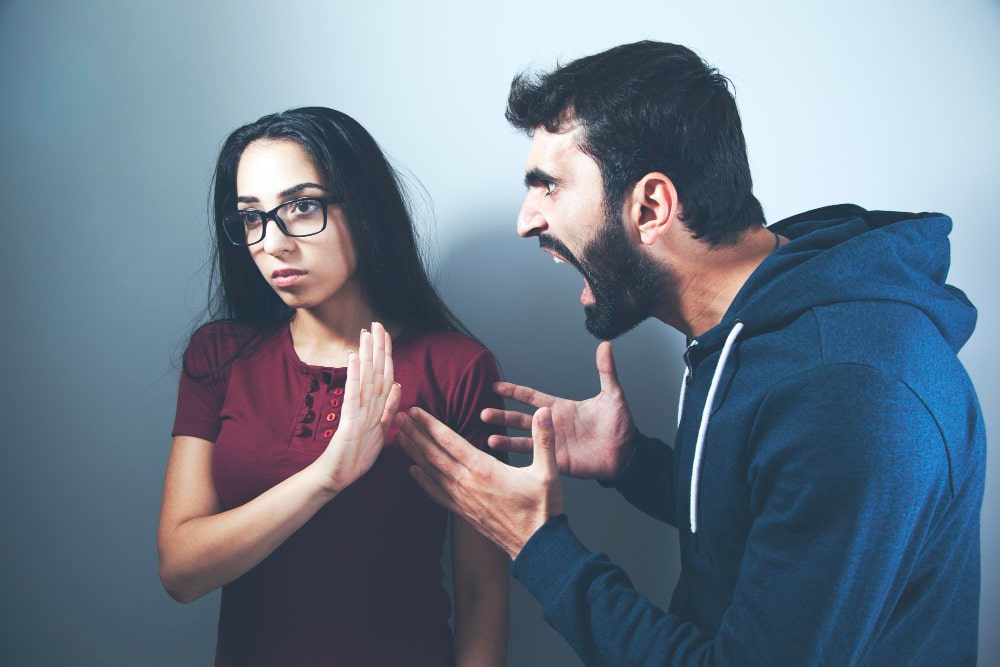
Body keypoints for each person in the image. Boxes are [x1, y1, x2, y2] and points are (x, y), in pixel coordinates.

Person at [397, 41, 986, 665]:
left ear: (650, 207)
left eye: (549, 186)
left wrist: (536, 543)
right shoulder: (756, 325)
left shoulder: (849, 390)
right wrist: (634, 464)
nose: (526, 220)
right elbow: (777, 524)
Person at [157, 107, 509, 666]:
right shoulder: (220, 356)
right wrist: (326, 477)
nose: (272, 243)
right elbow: (179, 571)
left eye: (301, 206)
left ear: (364, 207)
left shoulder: (456, 369)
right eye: (251, 217)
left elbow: (481, 592)